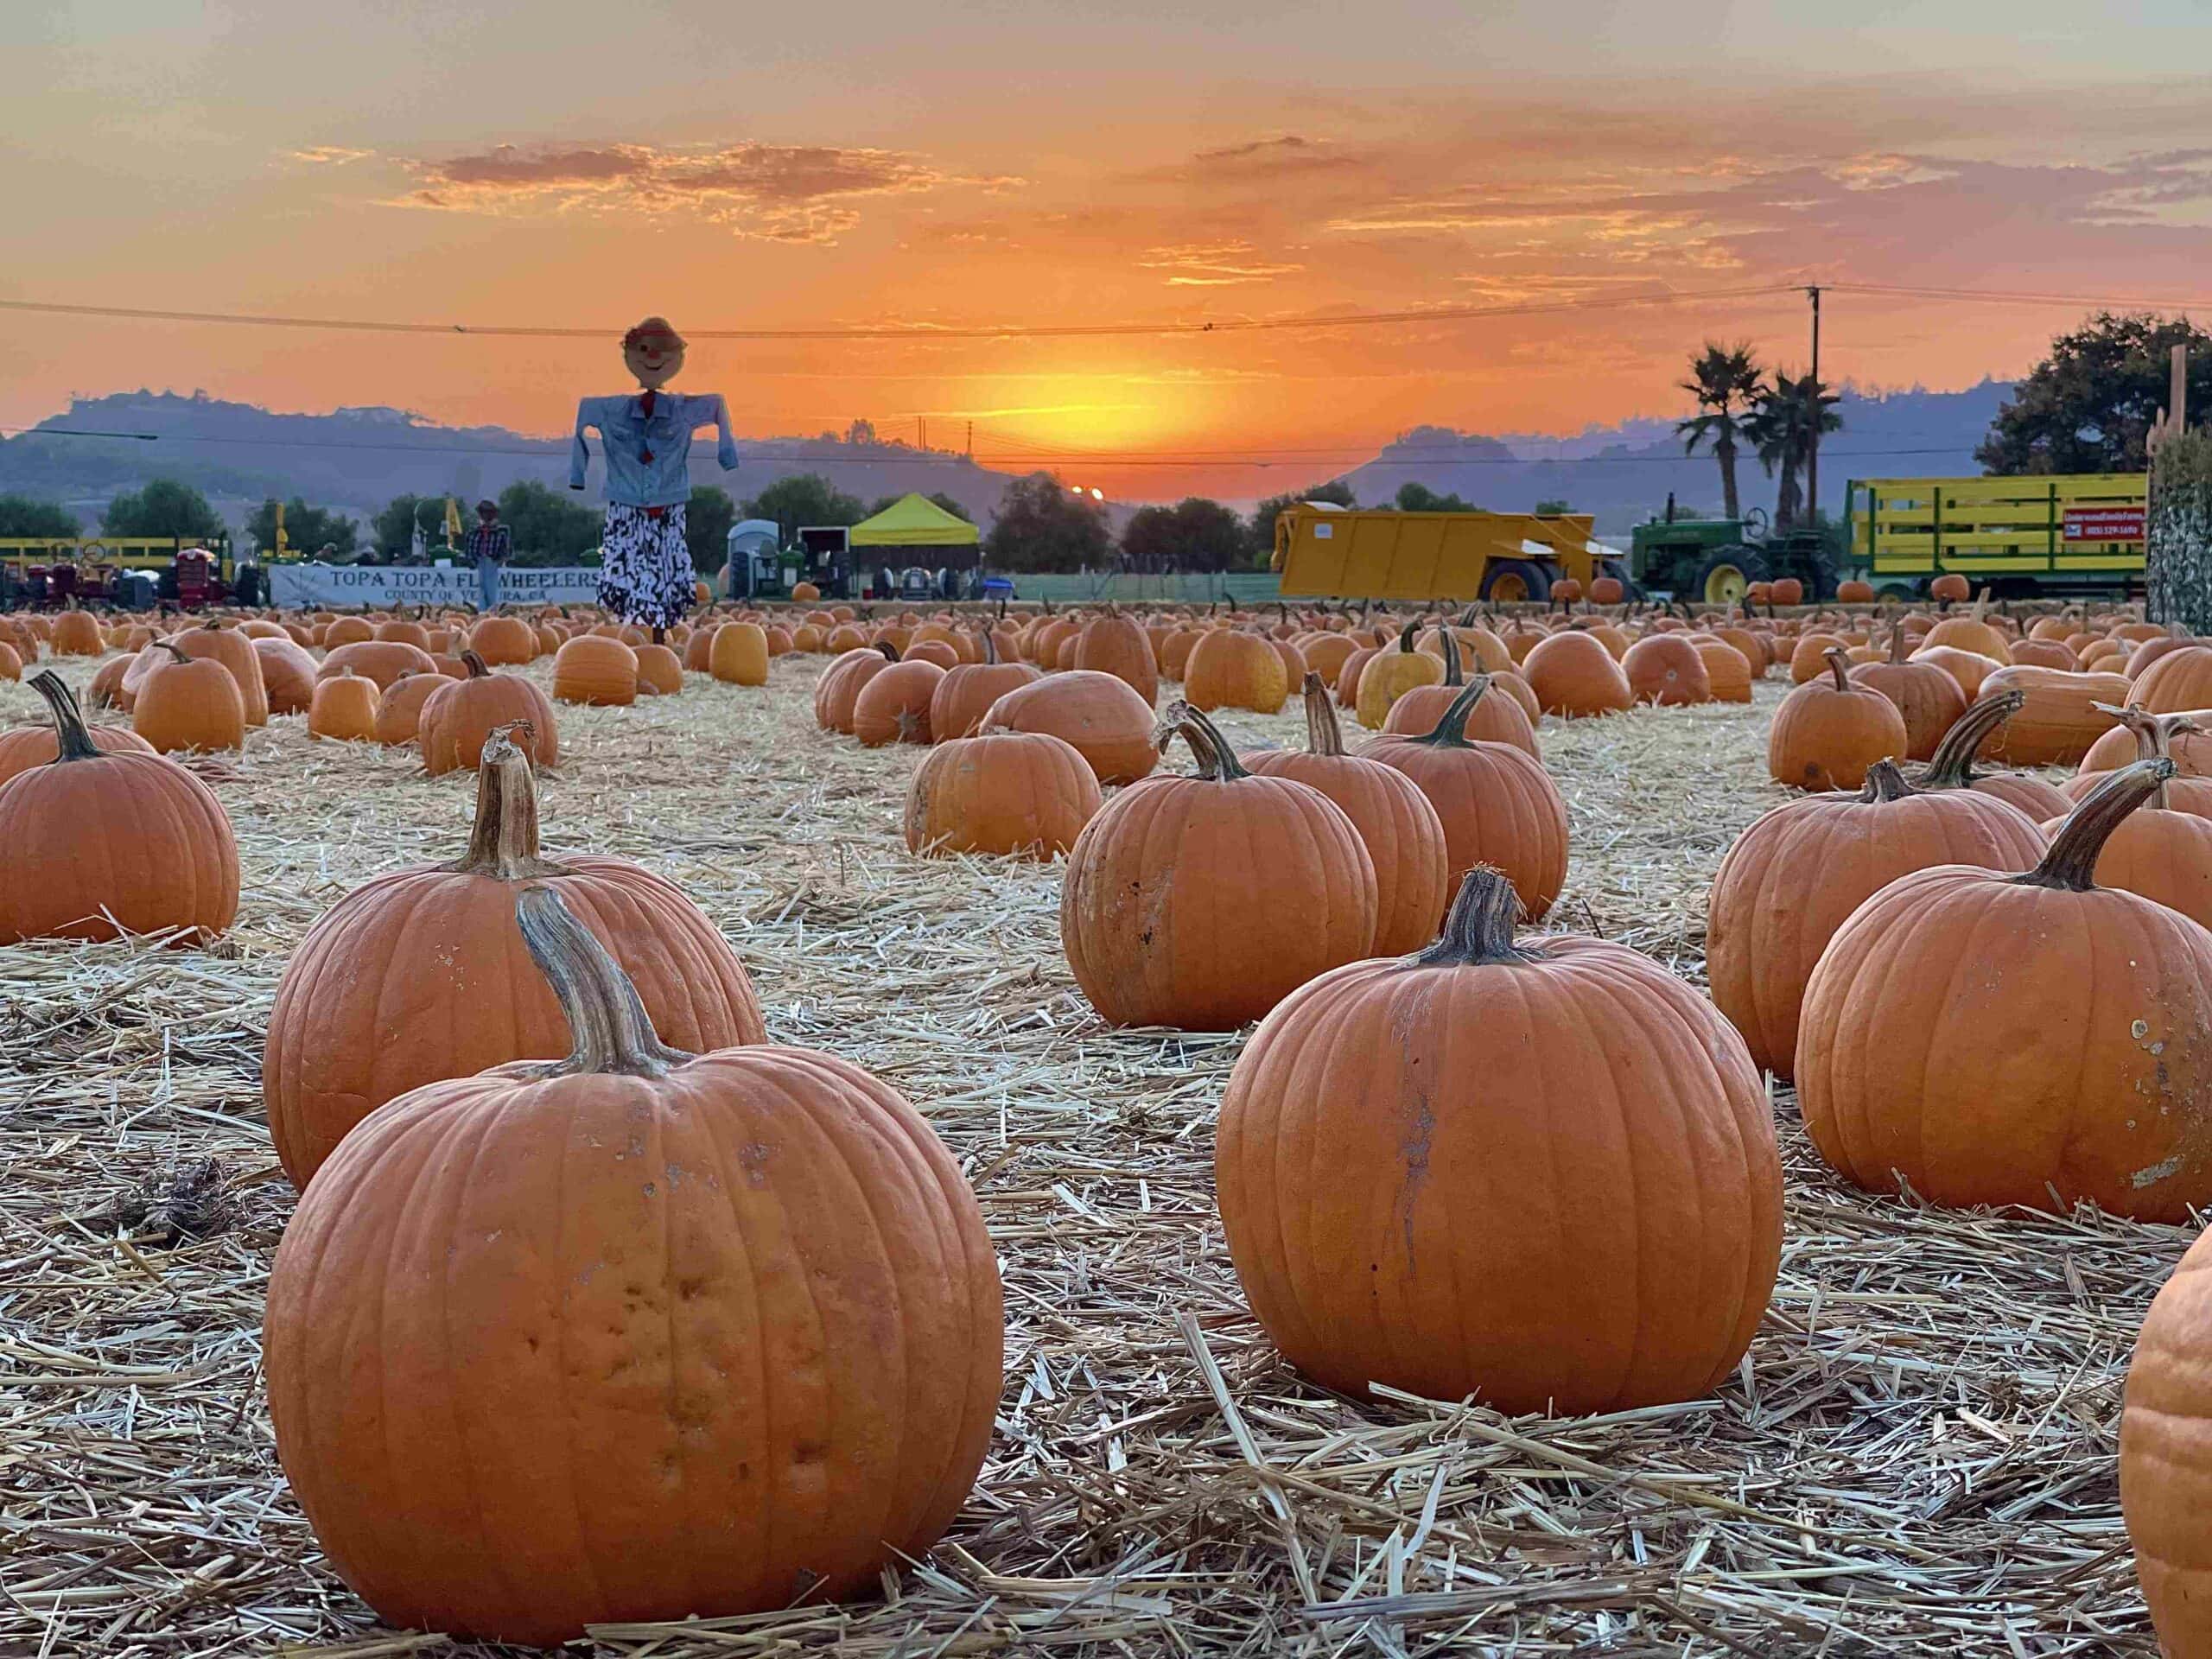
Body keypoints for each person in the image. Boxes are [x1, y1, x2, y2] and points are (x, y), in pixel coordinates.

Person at [569, 317, 738, 639]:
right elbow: (581, 420)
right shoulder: (607, 409)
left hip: (668, 503)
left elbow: (718, 406)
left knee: (664, 571)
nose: (653, 357)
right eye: (644, 350)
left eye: (663, 350)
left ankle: (658, 636)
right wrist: (579, 474)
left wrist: (727, 456)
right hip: (625, 503)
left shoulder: (684, 408)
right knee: (628, 570)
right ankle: (635, 634)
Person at [464, 499, 511, 611]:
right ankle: (481, 612)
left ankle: (492, 612)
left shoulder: (501, 532)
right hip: (478, 562)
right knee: (479, 590)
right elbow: (468, 548)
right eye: (484, 512)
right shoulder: (473, 531)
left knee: (492, 590)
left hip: (492, 562)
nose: (486, 515)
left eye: (488, 512)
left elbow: (507, 550)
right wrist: (471, 560)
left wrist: (501, 560)